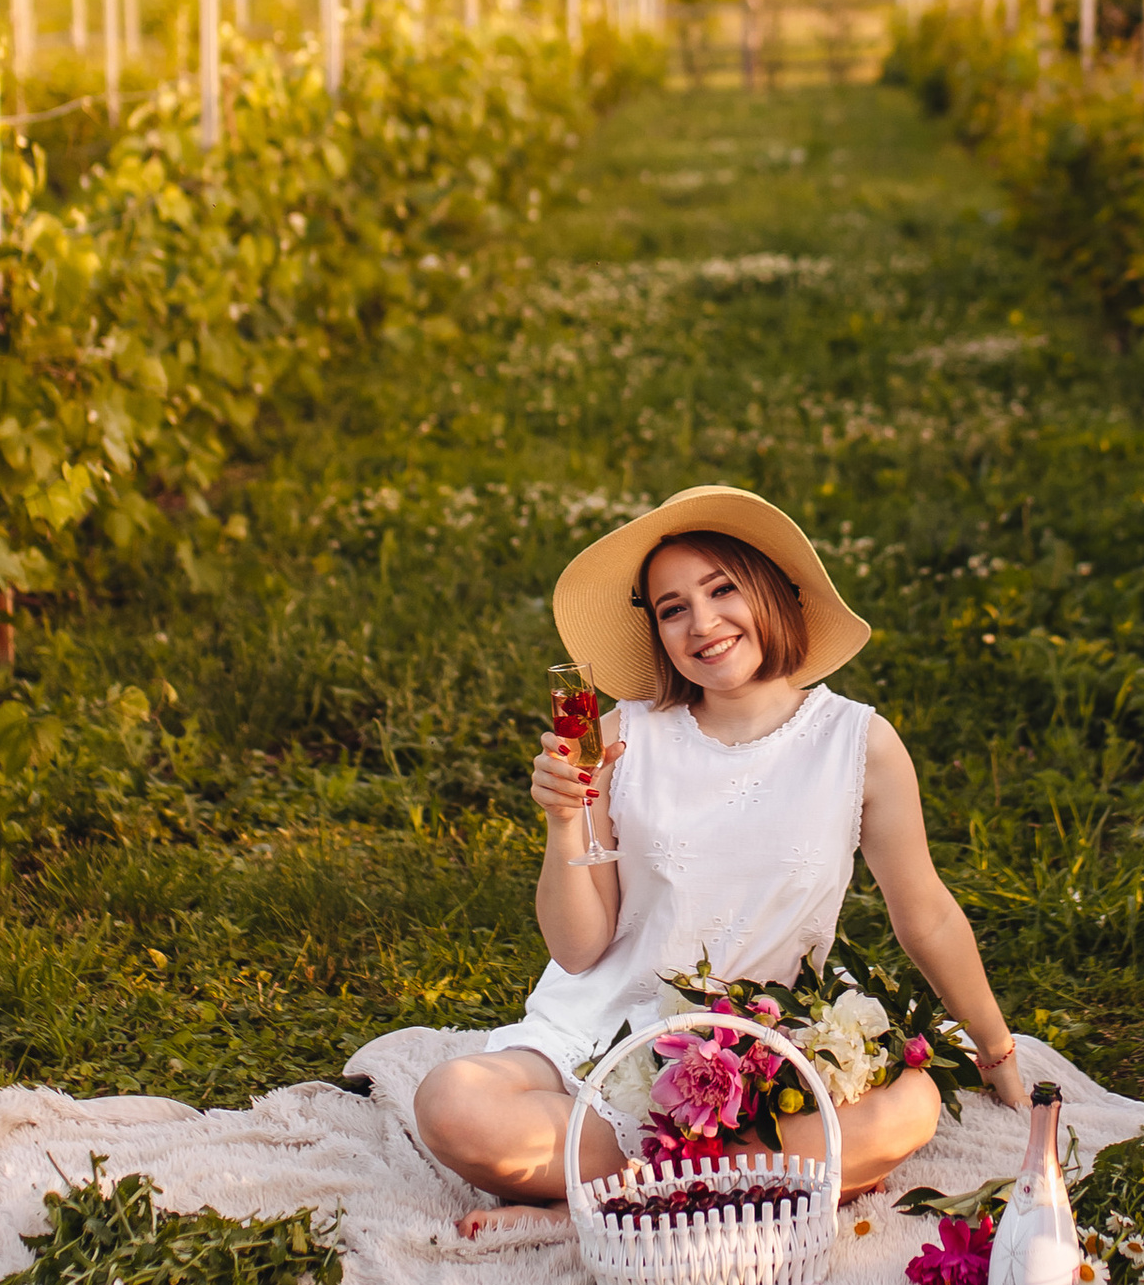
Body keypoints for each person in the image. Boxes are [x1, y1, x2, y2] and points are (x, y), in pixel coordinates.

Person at [411, 486, 1031, 1204]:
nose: (702, 623)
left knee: (910, 1108)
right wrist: (562, 820)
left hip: (763, 1054)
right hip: (606, 1034)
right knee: (452, 1104)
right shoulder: (620, 737)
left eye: (720, 590)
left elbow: (925, 912)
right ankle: (731, 1182)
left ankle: (618, 1194)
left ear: (769, 591)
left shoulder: (858, 743)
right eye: (673, 609)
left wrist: (997, 1052)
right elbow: (579, 949)